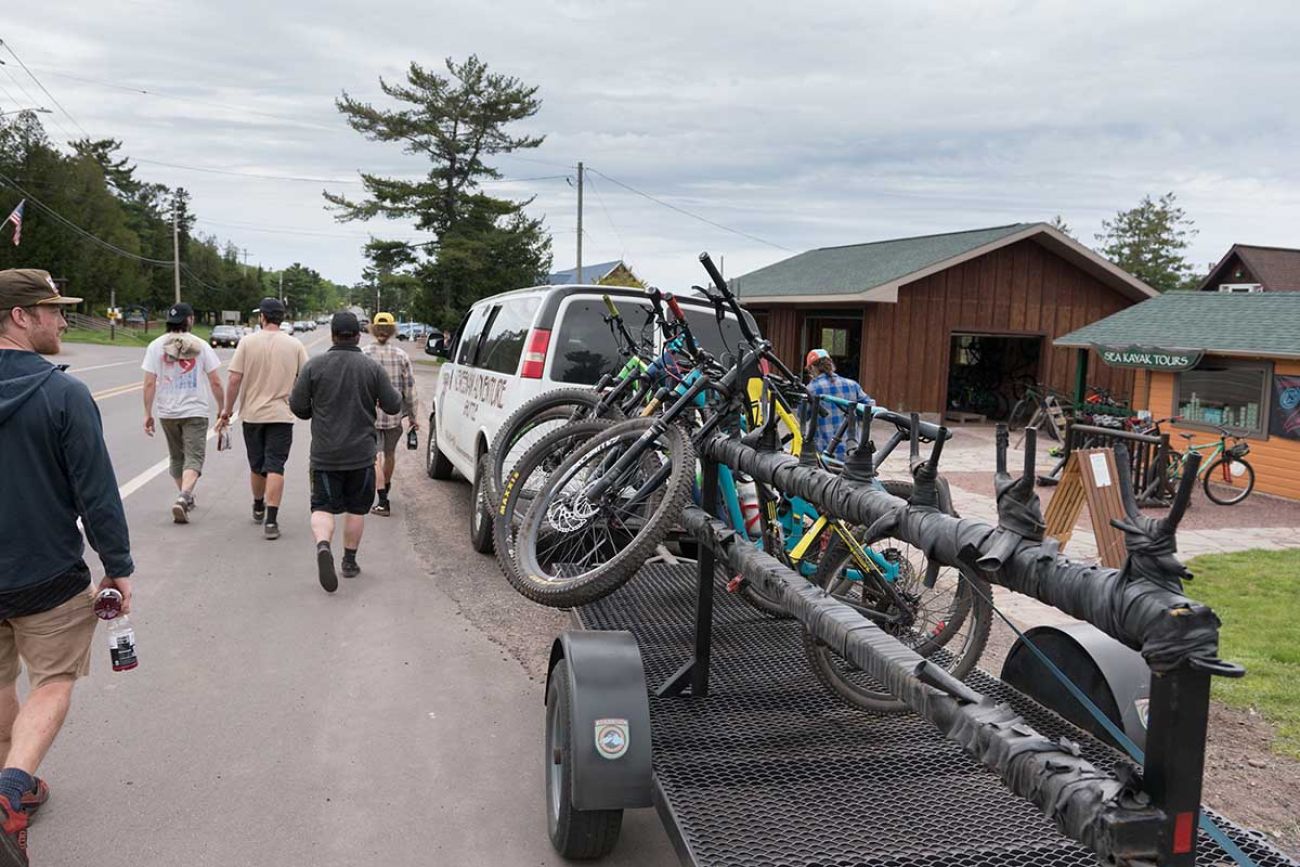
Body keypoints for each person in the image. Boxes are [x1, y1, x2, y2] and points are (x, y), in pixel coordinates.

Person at [0, 269, 134, 865]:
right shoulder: (63, 393)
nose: (60, 320)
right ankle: (11, 788)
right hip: (46, 576)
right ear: (20, 317)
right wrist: (118, 566)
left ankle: (13, 786)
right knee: (51, 681)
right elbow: (96, 493)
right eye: (51, 309)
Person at [290, 312, 400, 592]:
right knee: (356, 509)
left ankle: (323, 545)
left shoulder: (314, 366)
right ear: (358, 335)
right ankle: (349, 562)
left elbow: (299, 408)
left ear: (333, 334)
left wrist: (315, 407)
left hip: (325, 455)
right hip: (362, 455)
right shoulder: (371, 368)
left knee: (322, 507)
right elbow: (392, 405)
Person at [215, 298, 308, 541]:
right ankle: (272, 520)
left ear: (262, 317)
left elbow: (234, 379)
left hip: (253, 415)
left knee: (257, 465)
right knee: (275, 465)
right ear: (282, 318)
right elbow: (305, 380)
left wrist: (226, 410)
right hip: (281, 415)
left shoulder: (247, 342)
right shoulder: (295, 345)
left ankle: (258, 505)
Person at [141, 302, 224, 524]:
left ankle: (184, 495)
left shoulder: (155, 346)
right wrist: (222, 409)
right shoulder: (201, 345)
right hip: (195, 410)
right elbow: (215, 381)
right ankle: (184, 496)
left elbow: (149, 383)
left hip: (167, 411)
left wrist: (148, 413)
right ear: (189, 320)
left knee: (177, 457)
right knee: (194, 457)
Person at [362, 312, 418, 516]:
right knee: (390, 454)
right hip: (394, 416)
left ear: (374, 329)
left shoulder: (364, 354)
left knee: (374, 457)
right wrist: (413, 416)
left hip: (370, 415)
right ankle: (385, 484)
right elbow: (410, 389)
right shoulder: (401, 355)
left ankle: (382, 499)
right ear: (393, 330)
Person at [804, 348, 874, 460]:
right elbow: (869, 409)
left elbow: (803, 416)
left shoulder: (811, 389)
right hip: (851, 451)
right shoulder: (852, 385)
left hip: (824, 453)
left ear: (812, 368)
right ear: (830, 364)